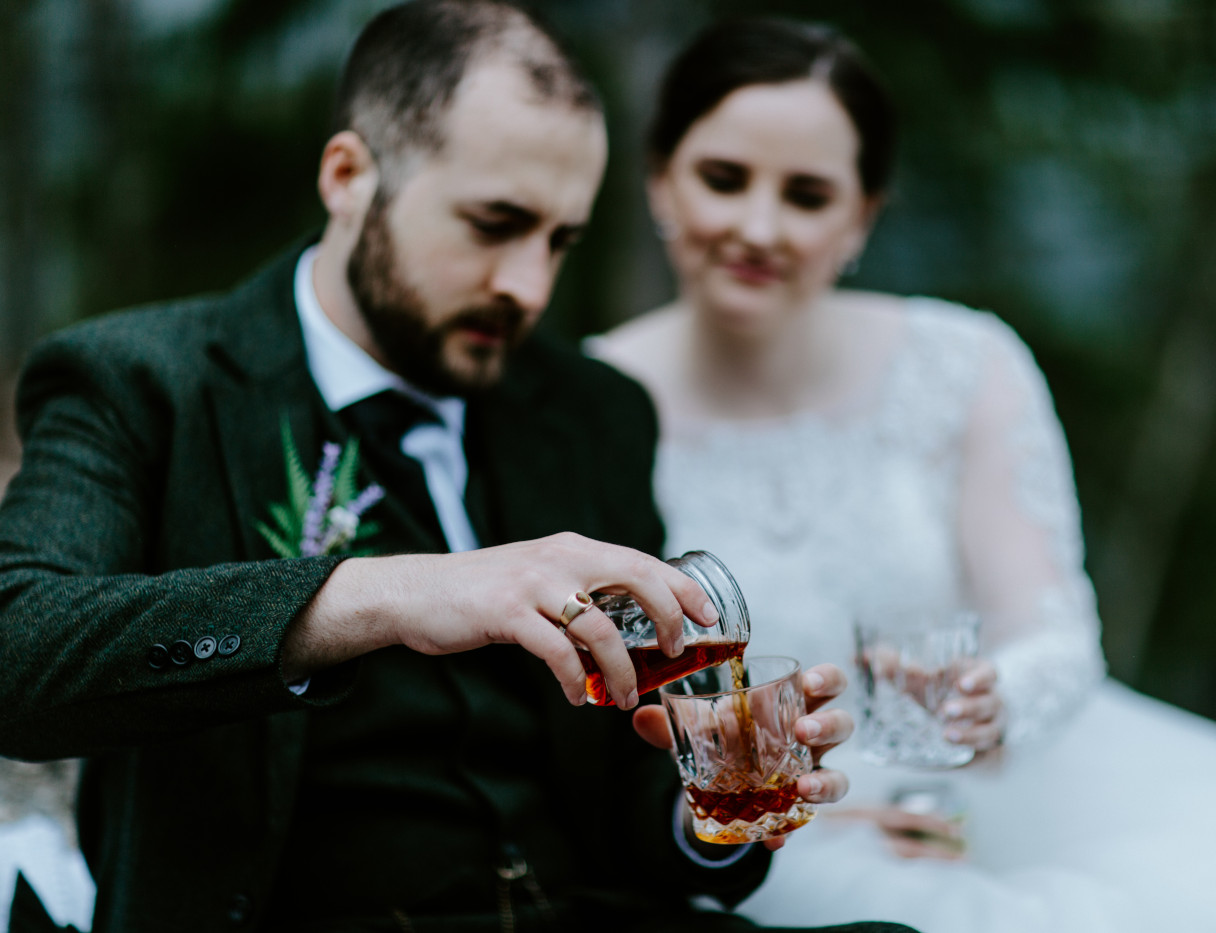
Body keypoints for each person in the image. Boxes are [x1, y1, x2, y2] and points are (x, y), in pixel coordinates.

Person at [0, 4, 914, 932]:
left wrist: (712, 808)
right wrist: (377, 596)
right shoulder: (144, 381)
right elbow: (15, 656)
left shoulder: (594, 412)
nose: (529, 286)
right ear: (350, 176)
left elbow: (625, 764)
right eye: (495, 223)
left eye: (560, 240)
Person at [589, 17, 1216, 933]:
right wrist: (798, 811)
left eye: (808, 194)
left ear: (862, 216)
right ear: (661, 180)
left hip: (1000, 795)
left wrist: (989, 700)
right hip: (751, 833)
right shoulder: (584, 398)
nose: (759, 226)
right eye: (724, 178)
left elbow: (1053, 630)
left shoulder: (964, 364)